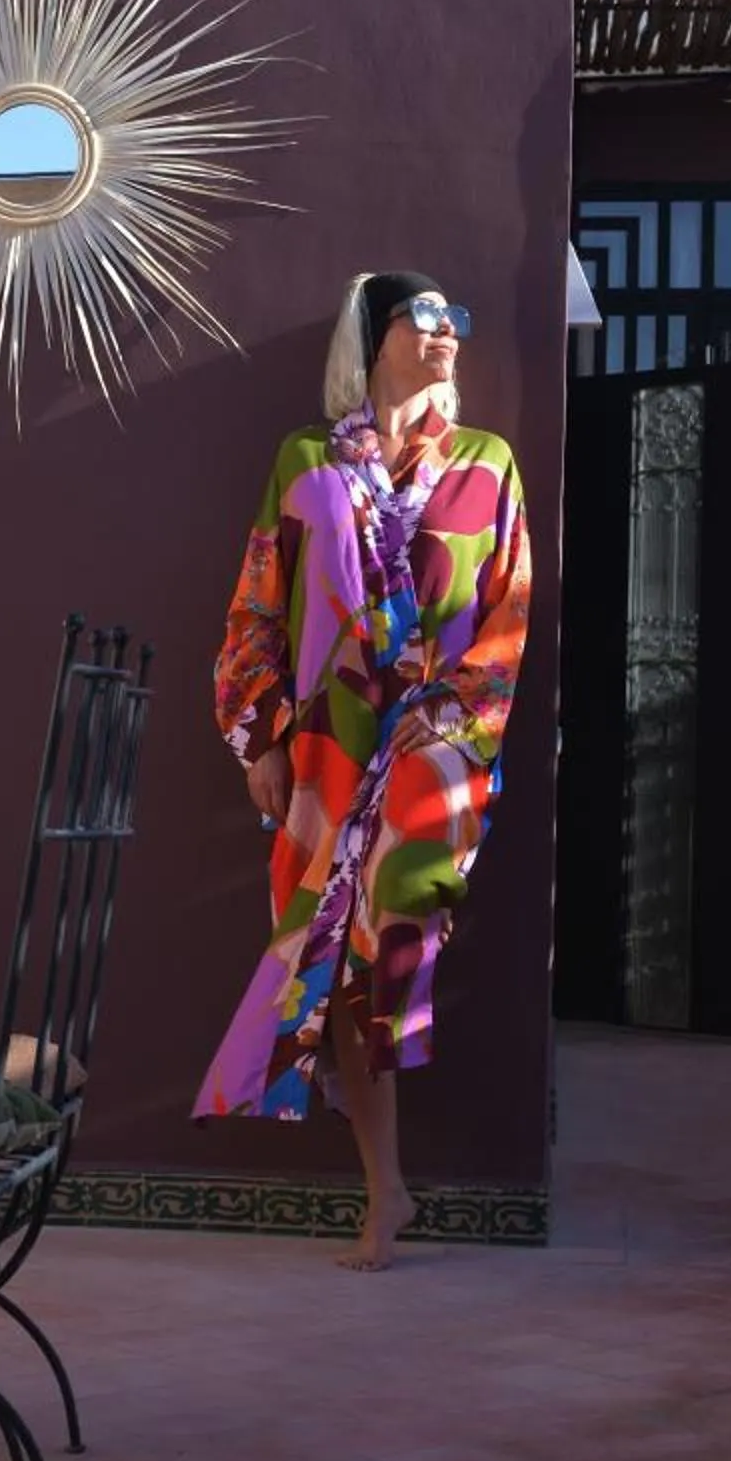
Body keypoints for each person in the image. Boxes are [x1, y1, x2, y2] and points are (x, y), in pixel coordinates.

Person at [195, 270, 533, 1270]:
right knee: (330, 964)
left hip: (434, 747)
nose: (445, 334)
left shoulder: (486, 464)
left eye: (454, 320)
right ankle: (386, 1191)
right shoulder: (305, 466)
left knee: (389, 927)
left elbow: (507, 615)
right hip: (323, 754)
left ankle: (388, 1182)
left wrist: (453, 728)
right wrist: (257, 740)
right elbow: (256, 603)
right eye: (422, 318)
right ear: (371, 336)